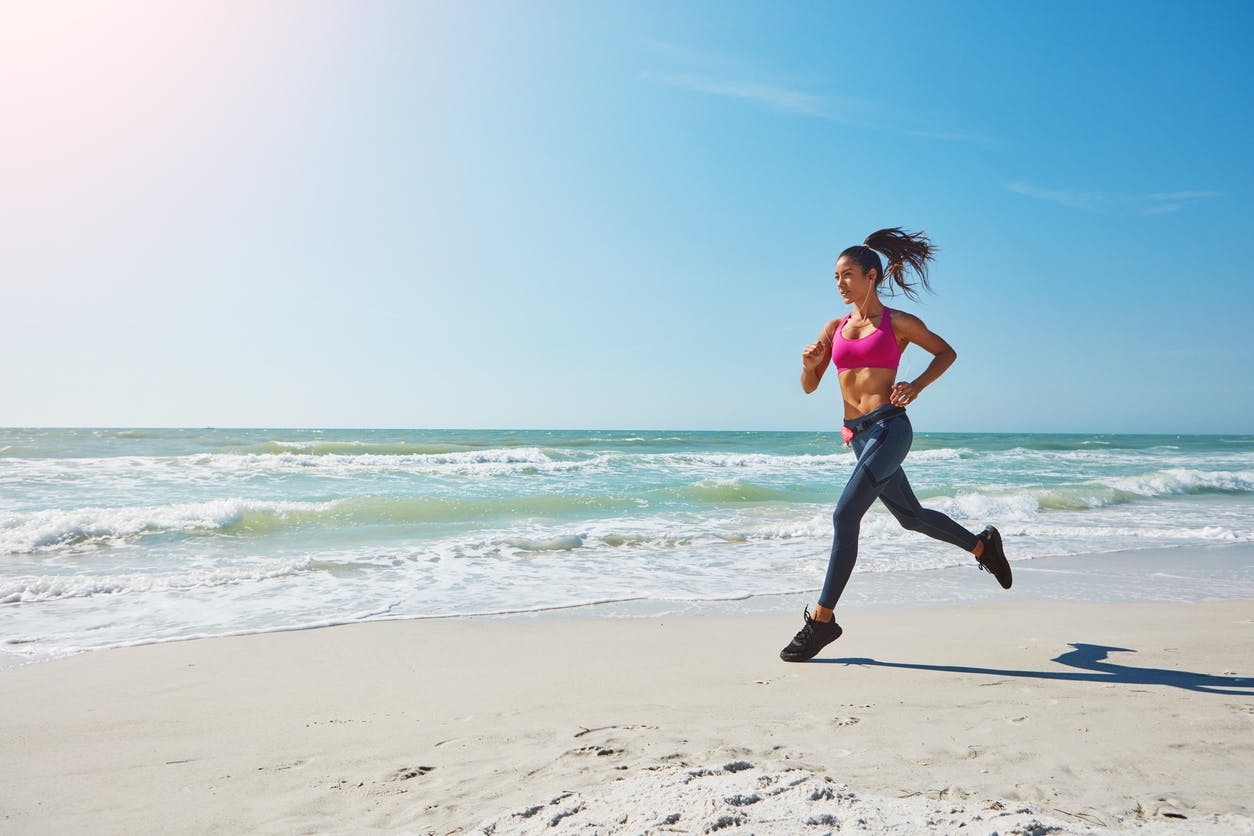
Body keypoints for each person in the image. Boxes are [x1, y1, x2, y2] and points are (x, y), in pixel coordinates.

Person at [780, 227, 1012, 663]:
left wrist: (918, 385)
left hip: (890, 428)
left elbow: (946, 353)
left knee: (845, 514)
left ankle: (823, 621)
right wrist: (810, 366)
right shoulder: (834, 328)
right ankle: (983, 546)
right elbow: (810, 387)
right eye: (835, 277)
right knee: (911, 517)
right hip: (858, 435)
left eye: (847, 275)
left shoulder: (897, 323)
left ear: (871, 276)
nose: (839, 284)